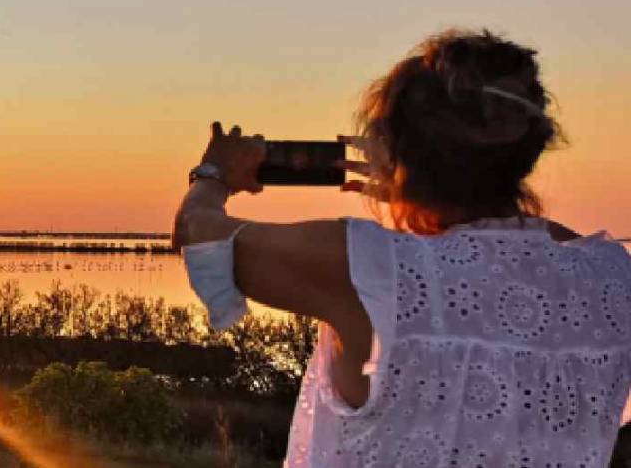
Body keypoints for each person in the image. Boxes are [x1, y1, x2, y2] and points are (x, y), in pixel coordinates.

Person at [173, 29, 631, 466]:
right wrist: (430, 194)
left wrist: (214, 172)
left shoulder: (370, 268)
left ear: (400, 149)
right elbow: (525, 249)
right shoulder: (610, 273)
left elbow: (200, 234)